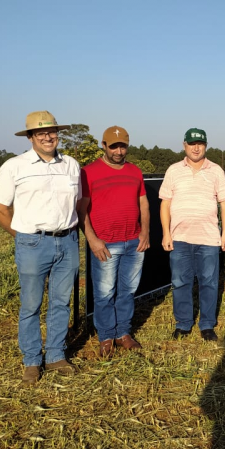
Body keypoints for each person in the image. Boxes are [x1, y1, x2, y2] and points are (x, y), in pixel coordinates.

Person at [0, 111, 81, 383]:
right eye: (41, 133)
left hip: (67, 240)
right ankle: (31, 360)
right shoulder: (14, 166)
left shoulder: (72, 165)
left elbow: (78, 203)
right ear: (30, 137)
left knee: (61, 302)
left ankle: (55, 355)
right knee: (31, 304)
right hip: (32, 242)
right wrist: (22, 236)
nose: (48, 137)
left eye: (51, 132)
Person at [77, 126, 150, 357]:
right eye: (114, 146)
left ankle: (123, 334)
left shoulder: (134, 171)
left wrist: (145, 232)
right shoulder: (88, 172)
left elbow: (144, 204)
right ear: (104, 145)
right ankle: (107, 336)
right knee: (105, 293)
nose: (119, 151)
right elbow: (82, 210)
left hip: (133, 242)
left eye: (123, 146)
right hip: (105, 244)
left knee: (128, 291)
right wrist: (92, 239)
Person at [159, 128, 225, 341]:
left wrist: (224, 233)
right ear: (185, 145)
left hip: (208, 238)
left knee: (209, 282)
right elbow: (165, 204)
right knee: (181, 282)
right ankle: (183, 323)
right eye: (192, 144)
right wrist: (166, 233)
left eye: (200, 144)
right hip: (180, 237)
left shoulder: (216, 170)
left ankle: (207, 325)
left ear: (205, 146)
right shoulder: (173, 170)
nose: (196, 147)